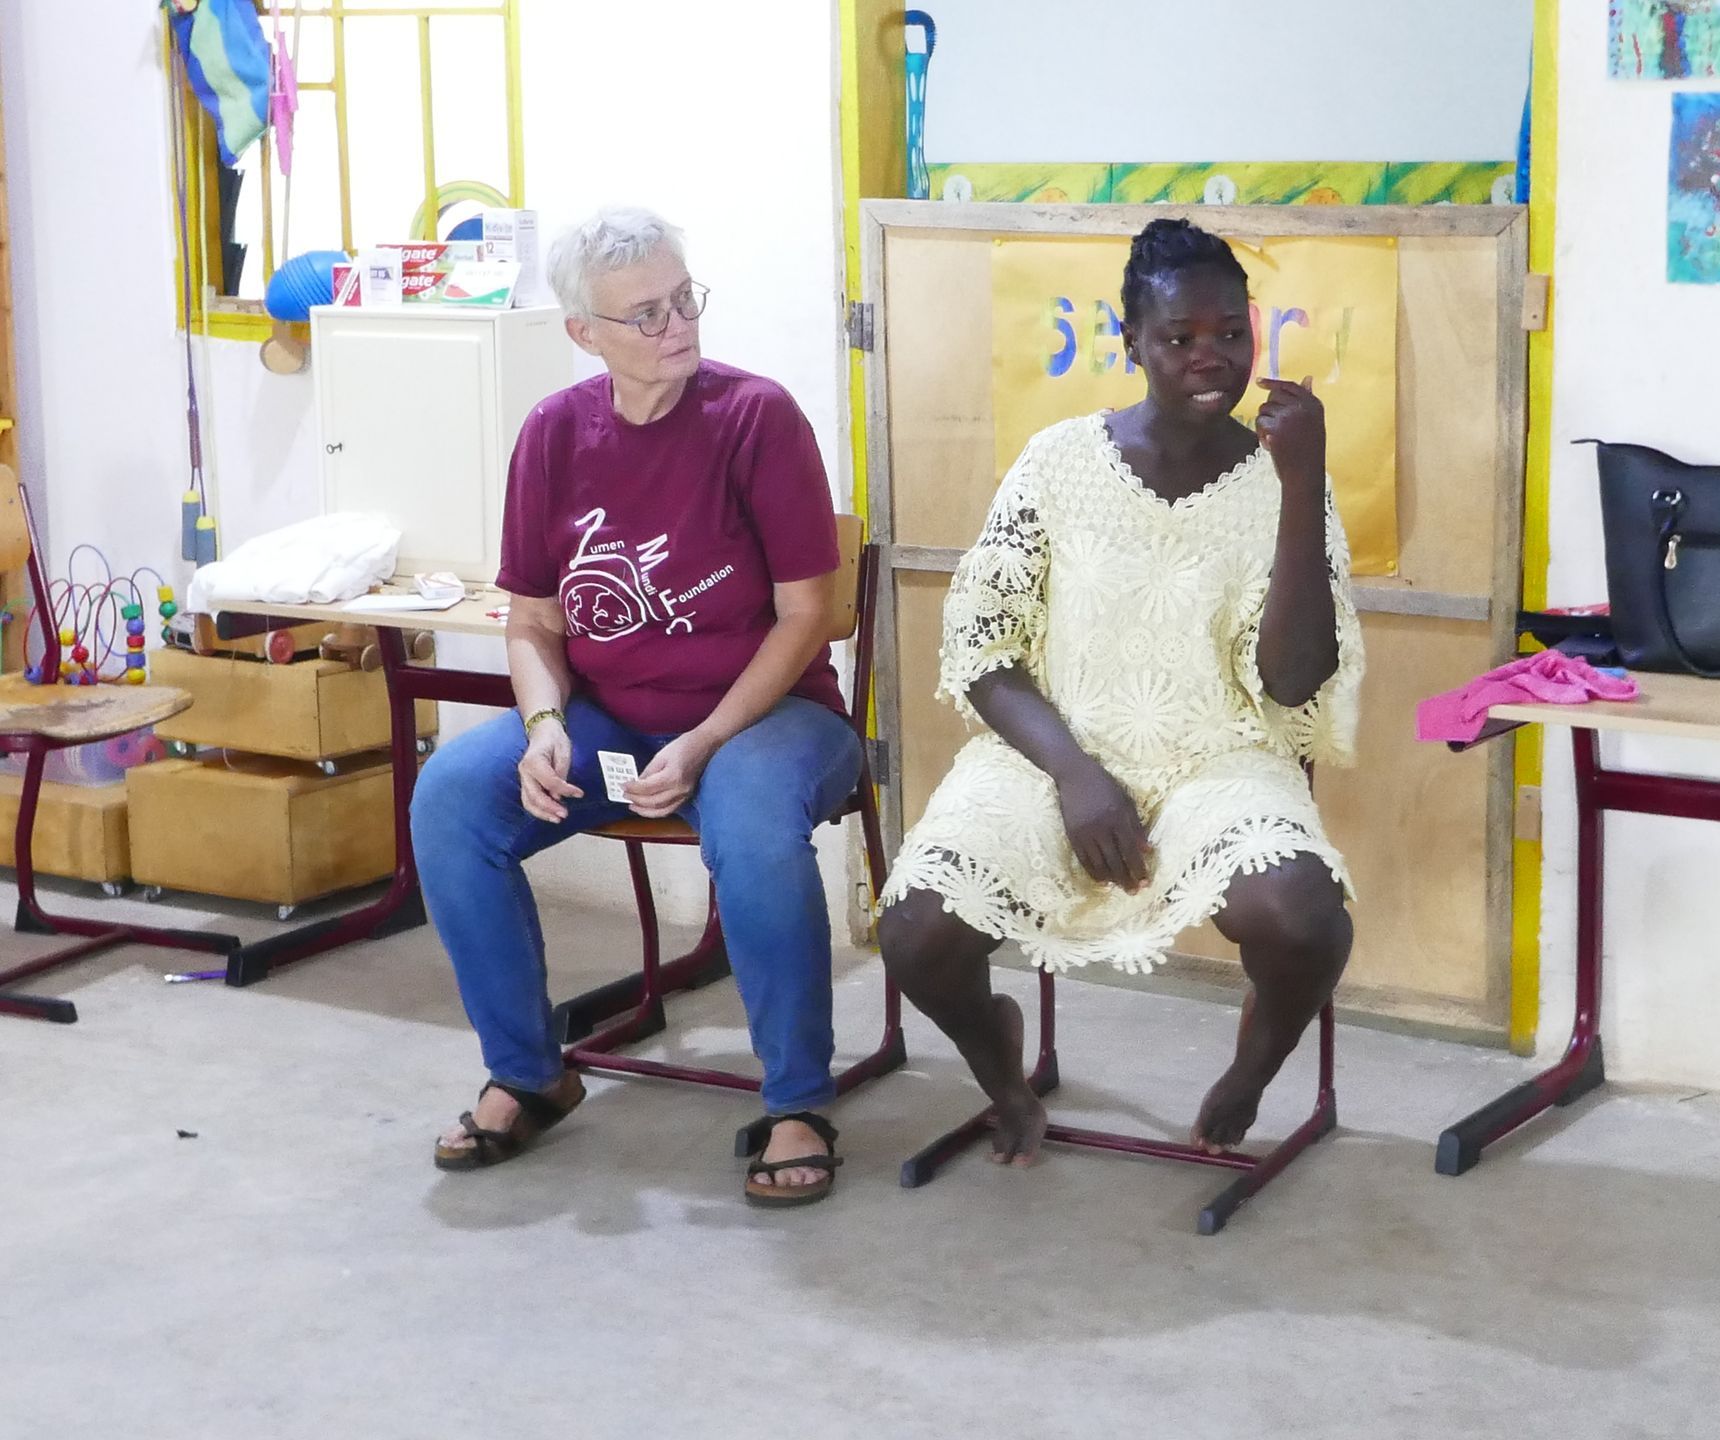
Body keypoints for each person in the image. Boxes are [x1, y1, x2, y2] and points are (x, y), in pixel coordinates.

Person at [877, 217, 1363, 1164]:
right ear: (1133, 342)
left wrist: (1301, 482)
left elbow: (1293, 677)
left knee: (1304, 919)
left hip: (1218, 755)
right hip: (1052, 749)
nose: (1210, 356)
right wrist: (1076, 775)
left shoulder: (1282, 477)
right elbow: (983, 652)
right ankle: (1001, 1072)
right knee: (915, 932)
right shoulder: (1058, 460)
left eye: (1231, 332)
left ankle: (1252, 1068)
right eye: (1179, 337)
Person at [413, 206, 861, 1207]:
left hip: (771, 714)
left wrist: (704, 740)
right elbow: (533, 621)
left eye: (684, 299)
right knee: (450, 797)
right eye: (646, 313)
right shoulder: (553, 434)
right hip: (612, 717)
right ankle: (528, 1072)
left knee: (751, 817)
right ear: (585, 332)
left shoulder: (756, 418)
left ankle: (797, 1100)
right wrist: (543, 727)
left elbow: (807, 617)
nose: (678, 326)